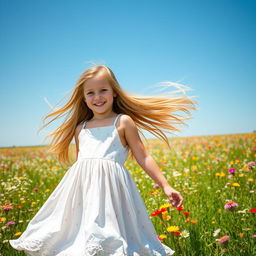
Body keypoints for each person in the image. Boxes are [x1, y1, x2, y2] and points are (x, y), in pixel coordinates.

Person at [9, 65, 197, 255]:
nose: (97, 97)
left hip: (112, 192)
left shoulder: (123, 122)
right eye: (90, 93)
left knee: (111, 237)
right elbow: (82, 164)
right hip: (81, 192)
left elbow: (143, 156)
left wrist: (165, 185)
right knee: (76, 238)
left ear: (114, 92)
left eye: (103, 90)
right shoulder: (80, 128)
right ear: (83, 97)